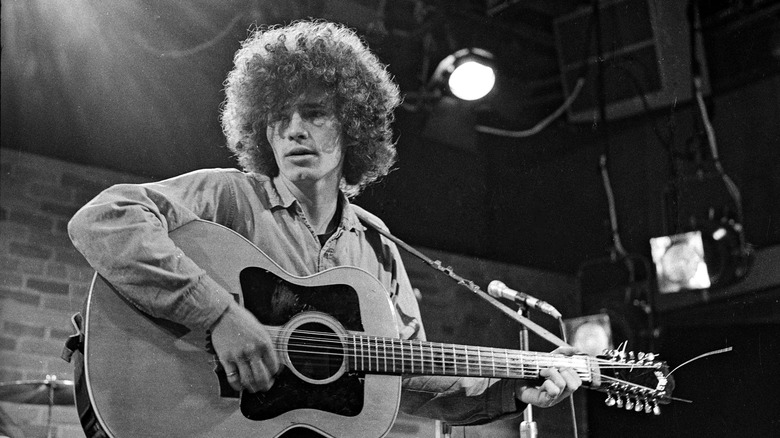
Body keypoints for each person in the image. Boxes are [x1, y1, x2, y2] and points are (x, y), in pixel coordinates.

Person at [68, 19, 581, 429]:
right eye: (278, 118)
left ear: (352, 125)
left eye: (313, 113)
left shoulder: (377, 247)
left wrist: (512, 388)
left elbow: (403, 380)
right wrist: (218, 314)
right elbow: (103, 220)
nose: (293, 130)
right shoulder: (228, 195)